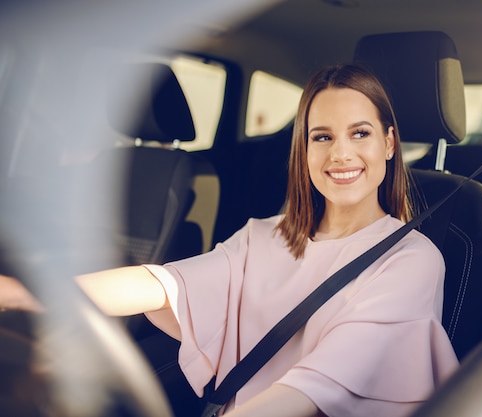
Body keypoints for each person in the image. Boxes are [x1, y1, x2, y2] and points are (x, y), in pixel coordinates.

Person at [0, 63, 458, 417]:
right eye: (322, 137)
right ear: (304, 148)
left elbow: (317, 388)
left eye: (360, 133)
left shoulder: (412, 259)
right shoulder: (264, 237)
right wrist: (25, 294)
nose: (340, 154)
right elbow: (161, 284)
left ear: (390, 143)